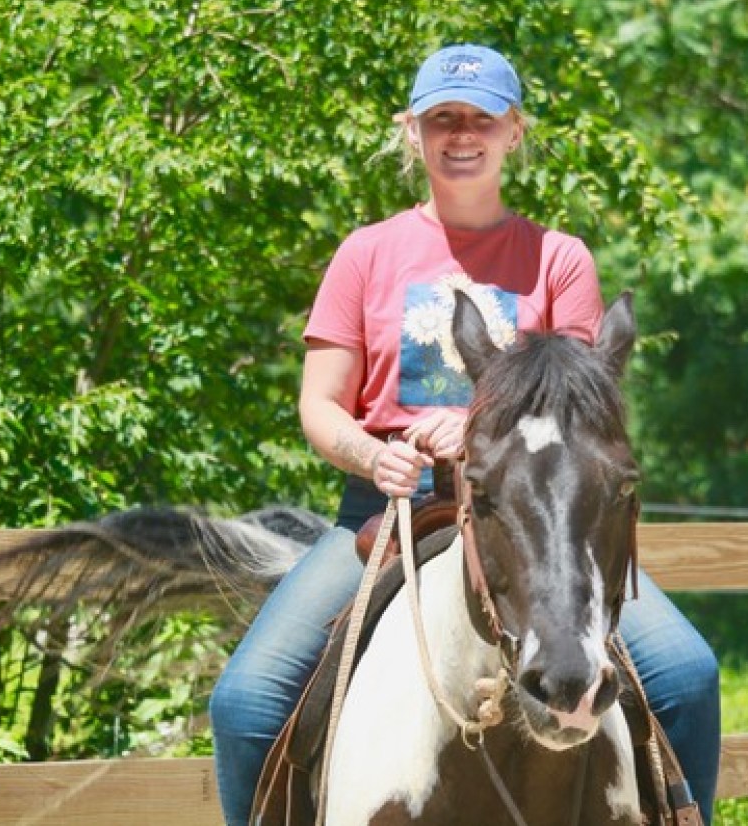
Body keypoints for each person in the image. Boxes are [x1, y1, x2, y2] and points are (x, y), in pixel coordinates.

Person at [209, 43, 721, 825]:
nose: (461, 134)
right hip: (386, 518)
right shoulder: (365, 254)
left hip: (540, 523)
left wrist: (479, 424)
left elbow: (583, 408)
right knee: (245, 703)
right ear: (411, 131)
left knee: (687, 676)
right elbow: (320, 404)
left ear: (514, 131)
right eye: (442, 117)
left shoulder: (558, 259)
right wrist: (373, 453)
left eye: (481, 118)